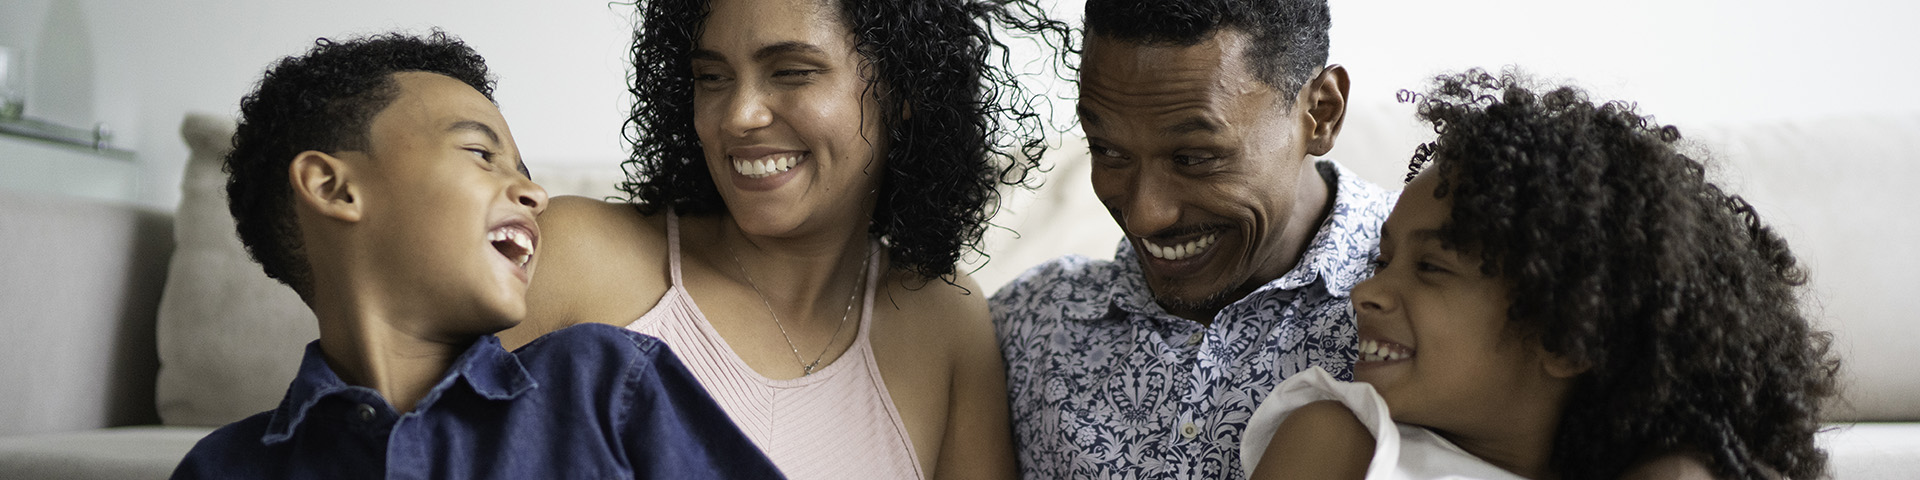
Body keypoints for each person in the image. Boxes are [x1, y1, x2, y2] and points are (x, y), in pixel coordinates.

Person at [171, 32, 782, 479]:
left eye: (524, 172)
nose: (535, 194)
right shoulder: (222, 467)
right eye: (480, 154)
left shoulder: (601, 379)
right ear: (336, 188)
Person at [492, 0, 1063, 477]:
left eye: (792, 71)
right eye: (711, 78)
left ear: (902, 88)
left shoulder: (945, 322)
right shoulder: (572, 254)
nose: (738, 115)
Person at [1241, 70, 1839, 480]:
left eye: (1430, 267)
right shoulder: (1344, 441)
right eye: (1383, 260)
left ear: (1565, 334)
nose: (1366, 291)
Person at [988, 0, 1394, 477]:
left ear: (1321, 113)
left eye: (1195, 158)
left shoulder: (1448, 303)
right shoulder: (1026, 330)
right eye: (1108, 150)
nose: (1144, 216)